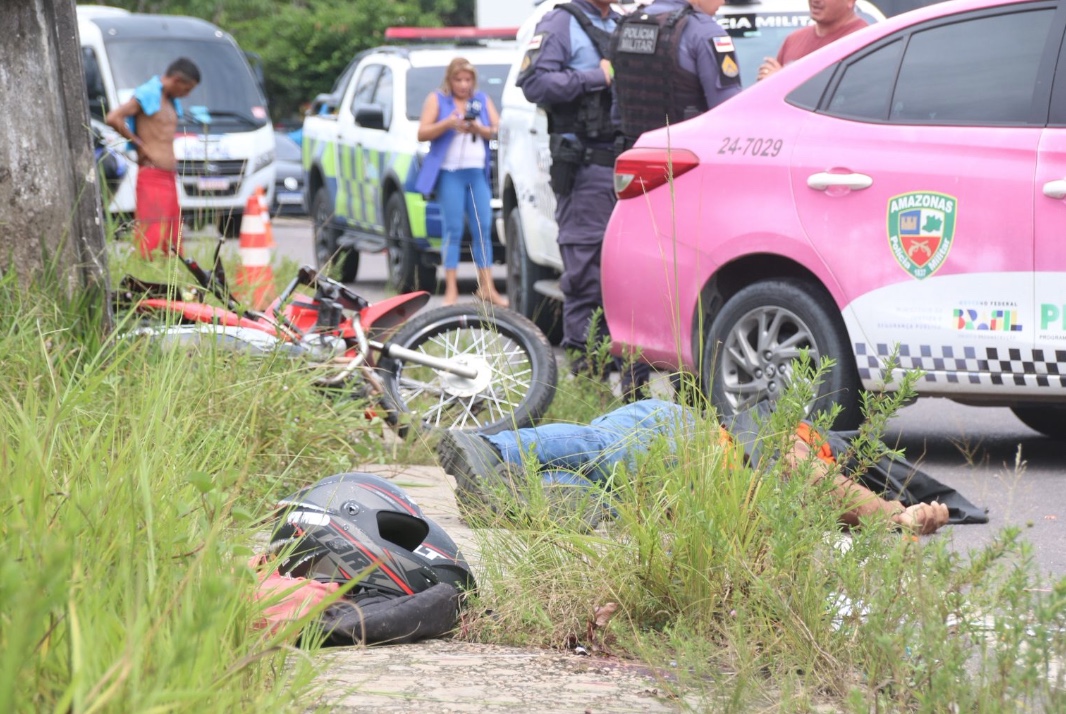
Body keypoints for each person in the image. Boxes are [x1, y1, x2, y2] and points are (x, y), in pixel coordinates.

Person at [436, 399, 992, 535]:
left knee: (600, 492)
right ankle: (497, 451)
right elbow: (818, 482)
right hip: (682, 439)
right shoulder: (806, 442)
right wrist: (893, 516)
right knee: (607, 449)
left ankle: (512, 493)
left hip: (675, 481)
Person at [516, 0, 651, 398]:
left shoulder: (627, 22)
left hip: (630, 163)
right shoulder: (560, 23)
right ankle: (589, 380)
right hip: (587, 169)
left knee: (637, 275)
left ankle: (633, 383)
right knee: (587, 276)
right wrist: (595, 77)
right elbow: (534, 84)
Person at [415, 58, 507, 307]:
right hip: (449, 173)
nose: (464, 85)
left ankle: (487, 287)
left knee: (483, 228)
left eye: (468, 80)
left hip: (476, 173)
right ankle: (451, 289)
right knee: (453, 229)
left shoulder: (482, 100)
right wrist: (448, 123)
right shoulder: (437, 99)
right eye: (458, 79)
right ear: (449, 80)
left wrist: (479, 128)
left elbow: (497, 129)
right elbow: (422, 132)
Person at [610, 0, 742, 146]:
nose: (723, 1)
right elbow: (729, 114)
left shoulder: (625, 26)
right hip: (685, 158)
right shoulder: (706, 31)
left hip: (632, 156)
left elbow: (617, 110)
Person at [105, 57, 200, 259]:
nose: (186, 94)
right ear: (176, 80)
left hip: (168, 175)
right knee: (152, 233)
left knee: (172, 235)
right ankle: (148, 279)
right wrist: (139, 145)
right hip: (152, 174)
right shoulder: (148, 93)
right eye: (187, 89)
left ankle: (166, 279)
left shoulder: (169, 100)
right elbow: (113, 118)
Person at [757, 0, 868, 81]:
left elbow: (846, 96)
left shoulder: (864, 41)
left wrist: (780, 81)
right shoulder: (793, 39)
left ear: (850, 1)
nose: (816, 1)